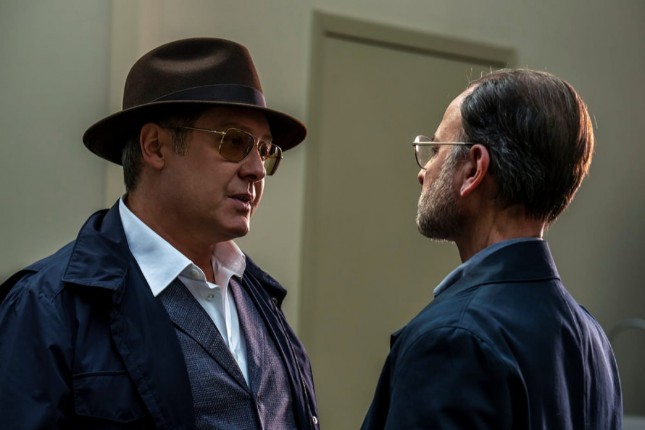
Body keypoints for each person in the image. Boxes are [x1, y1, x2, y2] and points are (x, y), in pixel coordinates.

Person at [0, 38, 319, 429]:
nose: (256, 169)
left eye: (265, 150)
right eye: (234, 142)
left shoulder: (259, 297)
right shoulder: (48, 305)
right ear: (155, 147)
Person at [361, 69, 622, 429]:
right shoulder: (593, 342)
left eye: (436, 150)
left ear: (473, 169)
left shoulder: (453, 340)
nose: (424, 171)